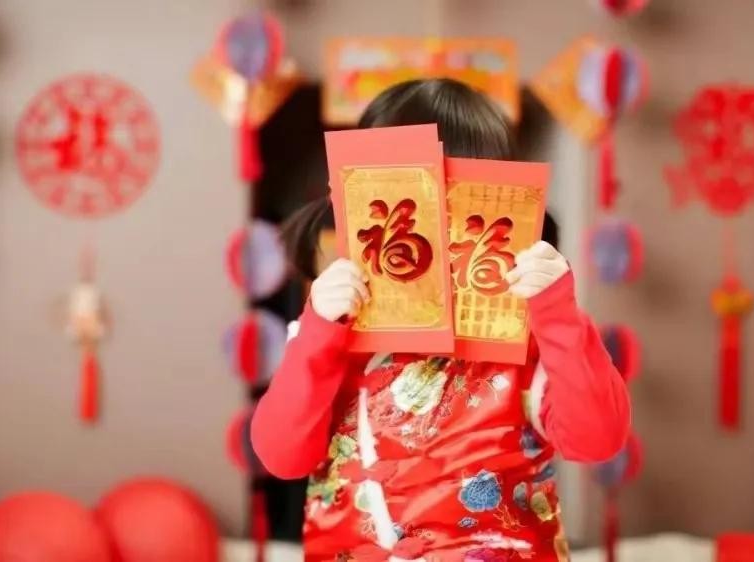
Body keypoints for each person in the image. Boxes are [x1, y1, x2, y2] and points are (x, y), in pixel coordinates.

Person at [252, 78, 630, 562]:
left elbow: (597, 439)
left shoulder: (531, 337)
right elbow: (282, 455)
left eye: (465, 201)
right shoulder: (330, 332)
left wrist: (558, 314)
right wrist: (319, 329)